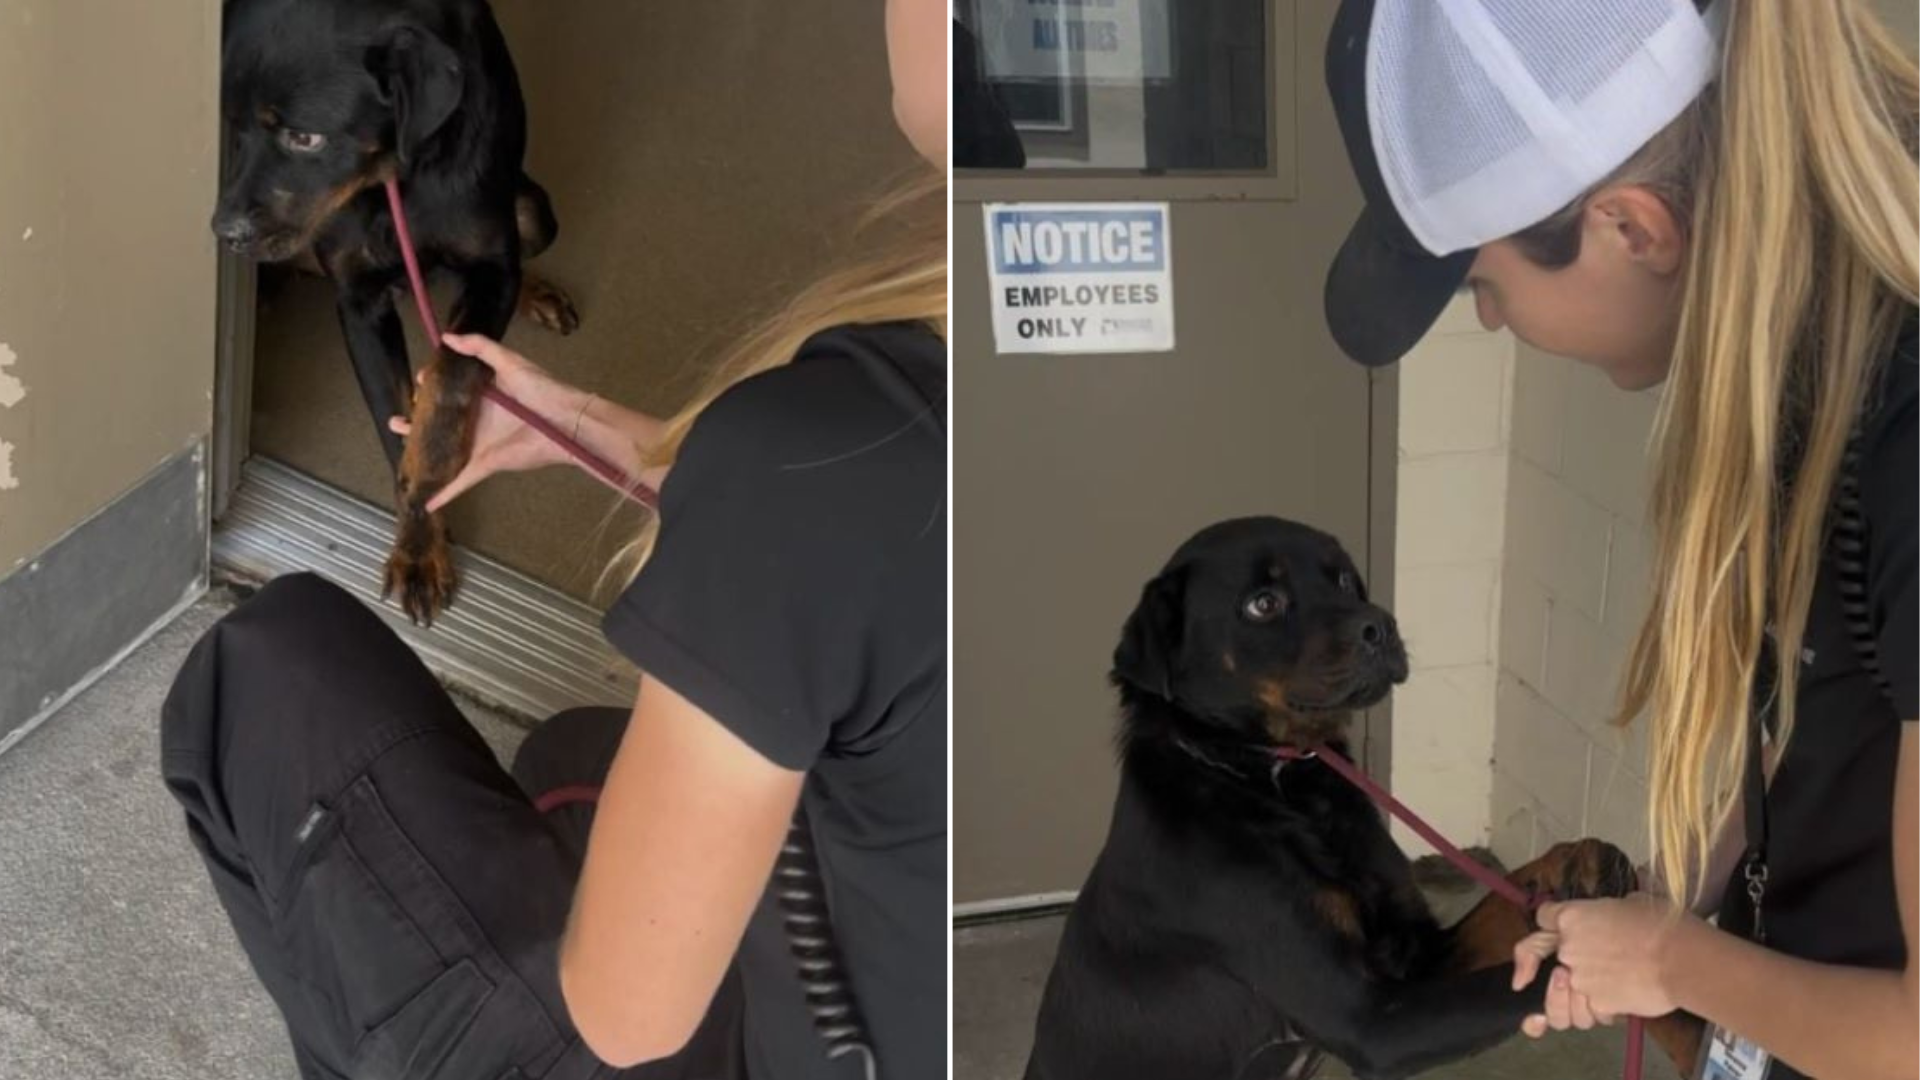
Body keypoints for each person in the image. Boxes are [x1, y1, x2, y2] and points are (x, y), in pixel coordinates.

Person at [160, 0, 947, 1076]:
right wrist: (584, 430)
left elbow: (628, 1019)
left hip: (738, 1042)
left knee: (255, 665)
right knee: (571, 752)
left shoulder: (824, 454)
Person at [1321, 1, 1916, 1077]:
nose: (1492, 322)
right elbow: (1831, 724)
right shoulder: (1814, 351)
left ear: (1634, 228)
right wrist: (1667, 917)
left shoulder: (1904, 432)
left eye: (1484, 286)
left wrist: (1677, 962)